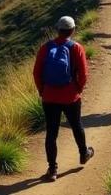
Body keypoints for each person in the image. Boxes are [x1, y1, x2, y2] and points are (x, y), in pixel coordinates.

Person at [32, 16, 94, 181]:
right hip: (70, 96)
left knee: (51, 133)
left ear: (58, 29)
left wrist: (42, 90)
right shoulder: (76, 48)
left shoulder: (45, 48)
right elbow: (83, 73)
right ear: (73, 30)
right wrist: (78, 88)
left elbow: (36, 72)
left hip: (49, 97)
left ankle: (52, 169)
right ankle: (83, 153)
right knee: (76, 125)